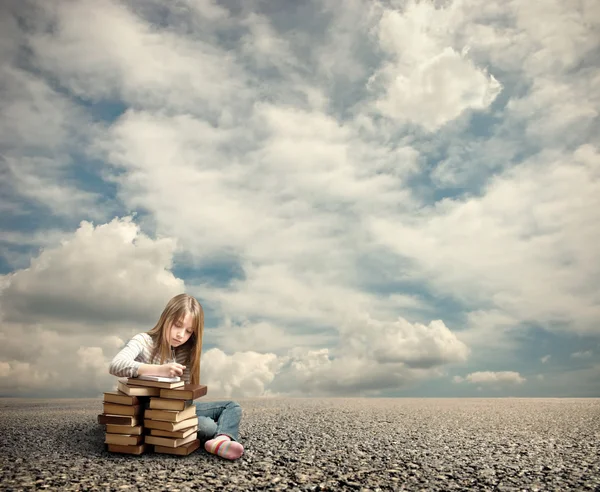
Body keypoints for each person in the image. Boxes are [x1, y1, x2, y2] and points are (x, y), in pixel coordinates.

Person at [108, 293, 244, 460]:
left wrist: (183, 411)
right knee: (207, 426)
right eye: (177, 325)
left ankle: (222, 440)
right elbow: (116, 365)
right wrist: (159, 370)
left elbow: (184, 397)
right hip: (147, 412)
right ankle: (218, 432)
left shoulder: (186, 351)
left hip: (174, 409)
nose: (181, 335)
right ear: (166, 317)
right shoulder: (143, 341)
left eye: (188, 331)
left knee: (232, 406)